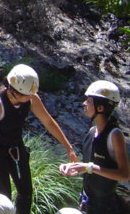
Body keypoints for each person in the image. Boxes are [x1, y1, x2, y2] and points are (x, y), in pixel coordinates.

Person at [0, 64, 78, 214]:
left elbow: (48, 121)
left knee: (26, 193)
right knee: (0, 196)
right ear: (12, 89)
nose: (29, 98)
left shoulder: (31, 98)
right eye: (25, 95)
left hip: (16, 149)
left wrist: (68, 146)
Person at [59, 80, 129, 214]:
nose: (84, 103)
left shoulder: (114, 135)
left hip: (105, 207)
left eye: (89, 101)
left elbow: (124, 175)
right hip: (87, 201)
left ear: (100, 108)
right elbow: (90, 168)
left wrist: (89, 167)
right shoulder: (92, 131)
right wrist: (74, 168)